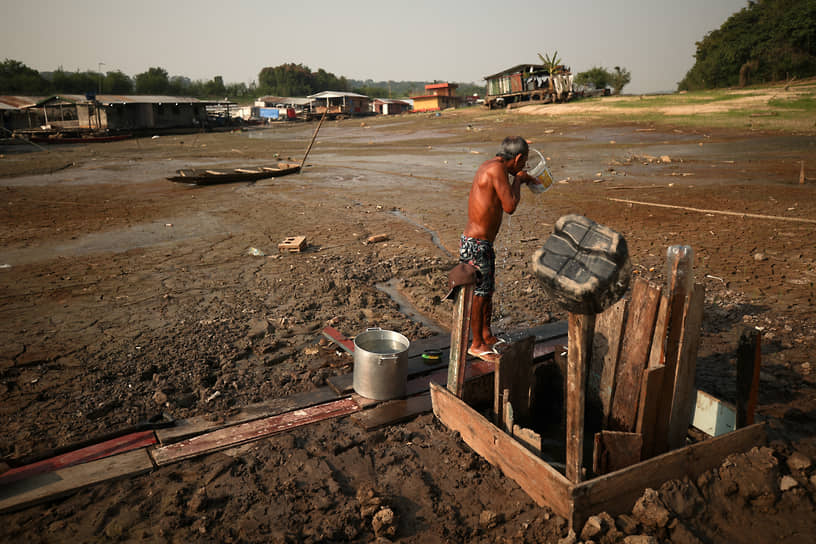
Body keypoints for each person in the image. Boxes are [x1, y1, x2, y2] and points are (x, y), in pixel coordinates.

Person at [459, 136, 544, 361]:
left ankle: (486, 335)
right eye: (523, 163)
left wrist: (520, 178)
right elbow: (510, 206)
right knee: (479, 295)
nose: (523, 167)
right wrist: (520, 180)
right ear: (517, 158)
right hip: (476, 244)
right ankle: (476, 344)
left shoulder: (492, 166)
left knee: (487, 292)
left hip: (481, 243)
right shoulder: (496, 170)